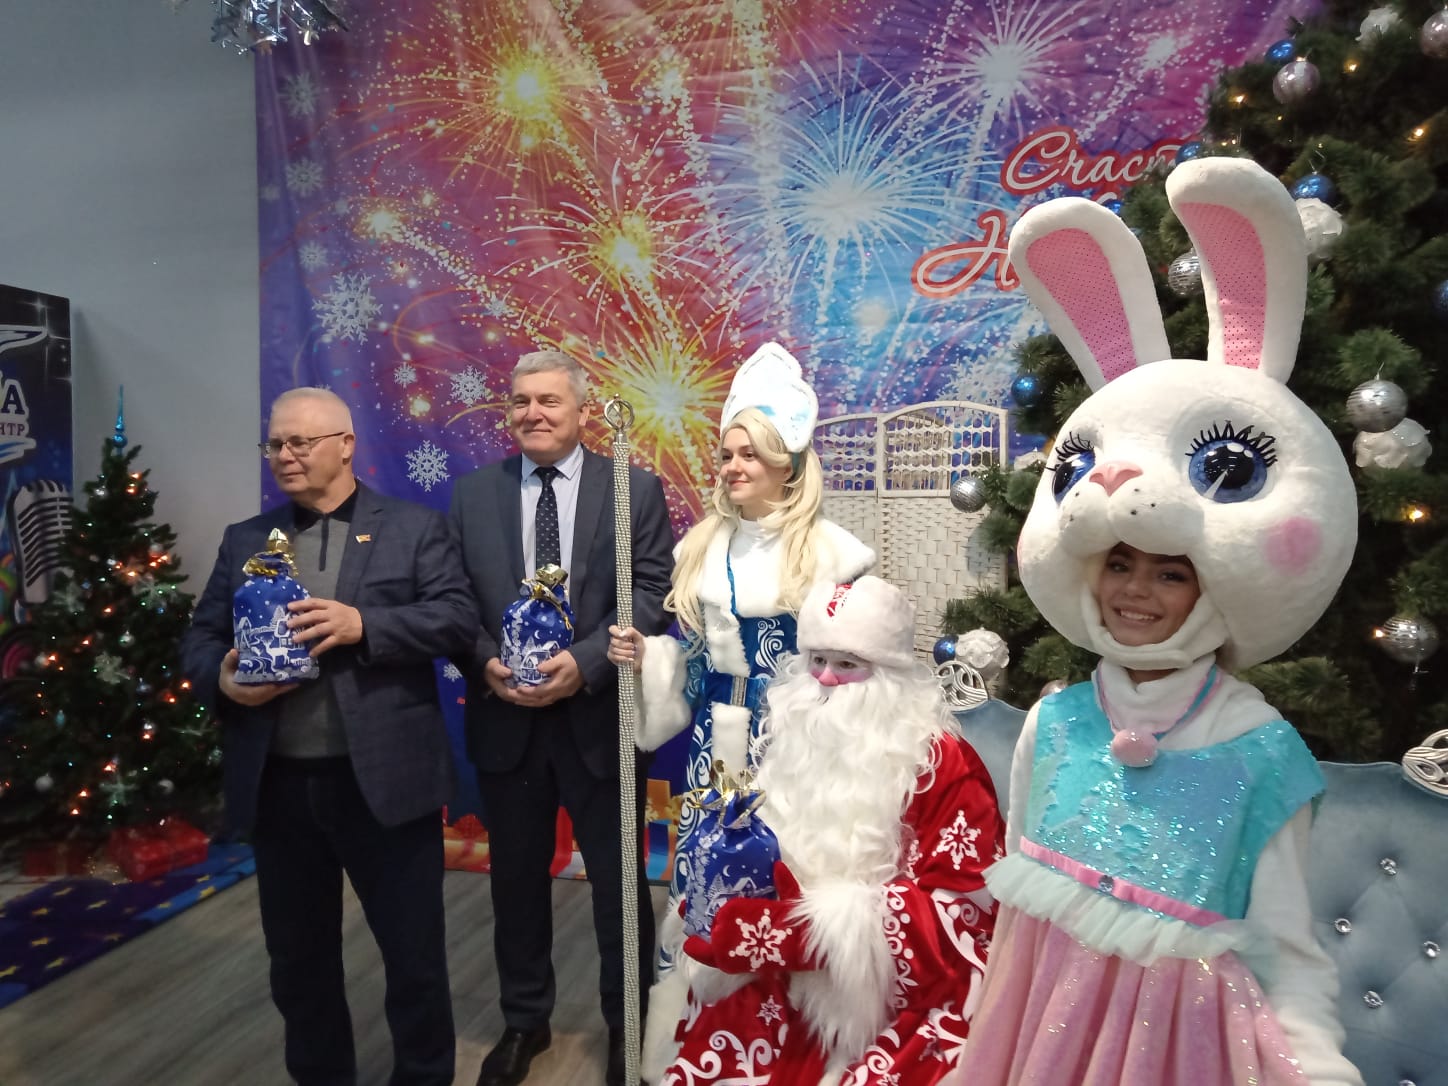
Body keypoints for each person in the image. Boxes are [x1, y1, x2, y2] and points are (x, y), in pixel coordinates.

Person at [950, 156, 1362, 1084]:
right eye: (1119, 565)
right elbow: (1019, 908)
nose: (1135, 592)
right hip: (1035, 1038)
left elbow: (1287, 945)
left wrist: (1318, 1063)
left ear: (1209, 584)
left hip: (1177, 1052)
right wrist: (986, 1029)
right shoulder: (1054, 723)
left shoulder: (1260, 749)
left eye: (1169, 574)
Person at [181, 387, 479, 1086]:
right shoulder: (245, 538)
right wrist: (222, 680)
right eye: (275, 443)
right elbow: (200, 638)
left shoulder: (413, 528)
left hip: (383, 786)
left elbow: (456, 618)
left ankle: (424, 1076)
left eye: (300, 442)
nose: (284, 455)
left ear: (346, 445)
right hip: (279, 787)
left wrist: (364, 625)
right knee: (298, 963)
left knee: (413, 958)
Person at [605, 342, 874, 1074]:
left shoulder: (834, 556)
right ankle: (696, 1051)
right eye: (725, 454)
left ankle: (788, 1054)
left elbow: (855, 672)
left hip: (798, 751)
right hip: (713, 755)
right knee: (706, 890)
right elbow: (695, 667)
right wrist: (650, 656)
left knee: (789, 886)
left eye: (749, 453)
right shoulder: (702, 548)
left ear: (787, 461)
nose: (732, 466)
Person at [657, 575, 1003, 1084]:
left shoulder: (940, 763)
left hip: (887, 996)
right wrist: (722, 903)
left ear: (891, 675)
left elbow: (964, 913)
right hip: (770, 979)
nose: (824, 679)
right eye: (816, 659)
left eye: (847, 665)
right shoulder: (790, 740)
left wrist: (805, 934)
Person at [449, 349, 675, 1086]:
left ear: (582, 410)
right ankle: (525, 1021)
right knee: (515, 884)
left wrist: (586, 661)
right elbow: (451, 599)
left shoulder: (632, 488)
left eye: (548, 400)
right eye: (521, 401)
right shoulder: (472, 495)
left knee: (618, 886)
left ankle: (627, 1027)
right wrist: (484, 659)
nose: (533, 413)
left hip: (598, 718)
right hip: (506, 719)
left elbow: (653, 590)